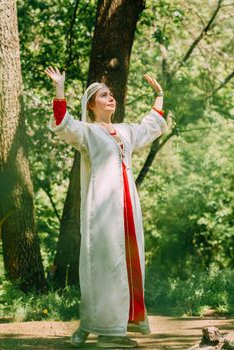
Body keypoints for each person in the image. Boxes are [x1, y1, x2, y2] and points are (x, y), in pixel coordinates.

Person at [44, 66, 168, 348]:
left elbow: (150, 126)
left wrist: (159, 95)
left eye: (111, 94)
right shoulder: (87, 132)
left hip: (126, 210)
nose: (111, 98)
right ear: (91, 104)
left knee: (124, 264)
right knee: (104, 266)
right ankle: (107, 332)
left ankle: (97, 327)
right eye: (103, 95)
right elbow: (63, 123)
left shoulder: (125, 131)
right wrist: (60, 88)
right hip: (103, 211)